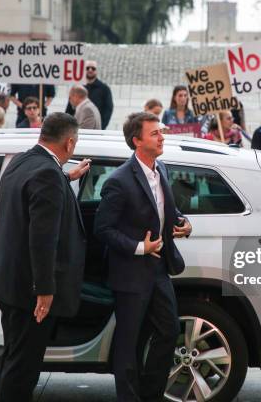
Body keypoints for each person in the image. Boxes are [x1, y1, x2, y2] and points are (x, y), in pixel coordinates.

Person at [0, 113, 91, 402]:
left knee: (12, 356)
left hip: (7, 282)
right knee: (24, 368)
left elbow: (36, 190)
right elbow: (42, 240)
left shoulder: (21, 161)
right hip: (29, 291)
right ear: (69, 143)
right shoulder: (48, 175)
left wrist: (67, 176)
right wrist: (45, 290)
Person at [94, 112, 192, 401]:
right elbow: (103, 229)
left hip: (159, 269)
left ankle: (150, 394)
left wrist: (183, 223)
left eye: (161, 132)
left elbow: (166, 211)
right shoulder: (118, 181)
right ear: (137, 141)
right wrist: (140, 247)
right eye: (155, 134)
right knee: (128, 342)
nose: (162, 137)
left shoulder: (161, 168)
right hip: (130, 274)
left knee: (169, 330)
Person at [65, 60, 114, 129]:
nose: (90, 70)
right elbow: (70, 107)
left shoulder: (104, 88)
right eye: (87, 68)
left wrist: (101, 127)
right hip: (78, 125)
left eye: (93, 68)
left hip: (96, 127)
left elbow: (108, 110)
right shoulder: (78, 87)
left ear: (96, 71)